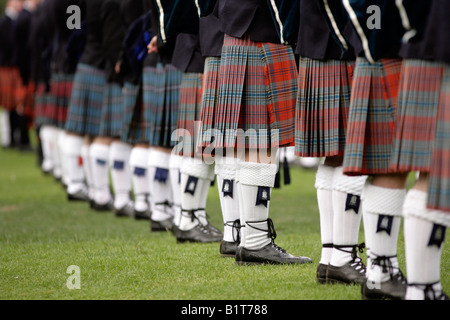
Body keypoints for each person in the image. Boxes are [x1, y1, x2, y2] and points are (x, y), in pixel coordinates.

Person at [209, 0, 312, 265]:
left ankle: (245, 235)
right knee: (260, 142)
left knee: (249, 143)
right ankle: (255, 242)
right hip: (261, 29)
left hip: (239, 29)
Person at [295, 0, 367, 284]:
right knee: (351, 150)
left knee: (334, 154)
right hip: (340, 43)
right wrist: (355, 38)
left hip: (319, 40)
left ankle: (330, 256)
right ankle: (343, 257)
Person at [341, 0, 408, 299]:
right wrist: (374, 37)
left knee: (398, 167)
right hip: (387, 52)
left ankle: (380, 266)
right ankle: (381, 269)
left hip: (395, 49)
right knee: (390, 166)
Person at [389, 0, 449, 300]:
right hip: (437, 43)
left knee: (432, 173)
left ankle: (423, 287)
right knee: (434, 172)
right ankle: (422, 288)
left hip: (430, 41)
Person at [171, 32, 223, 243]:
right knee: (196, 147)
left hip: (202, 51)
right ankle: (187, 220)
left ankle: (196, 216)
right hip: (200, 53)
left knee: (205, 148)